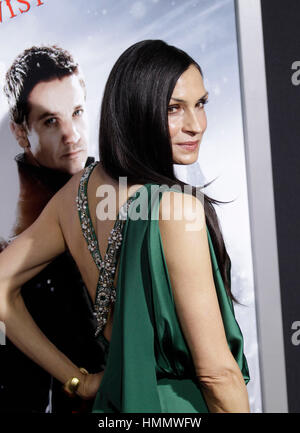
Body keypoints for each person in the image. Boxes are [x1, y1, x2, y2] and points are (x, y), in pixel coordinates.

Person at [0, 40, 250, 413]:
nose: (196, 125)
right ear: (137, 109)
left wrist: (78, 381)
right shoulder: (178, 210)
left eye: (201, 104)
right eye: (174, 108)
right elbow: (217, 376)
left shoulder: (75, 194)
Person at [0, 45, 106, 413]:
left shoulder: (108, 182)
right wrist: (79, 382)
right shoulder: (12, 213)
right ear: (19, 131)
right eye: (50, 121)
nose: (71, 134)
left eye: (77, 113)